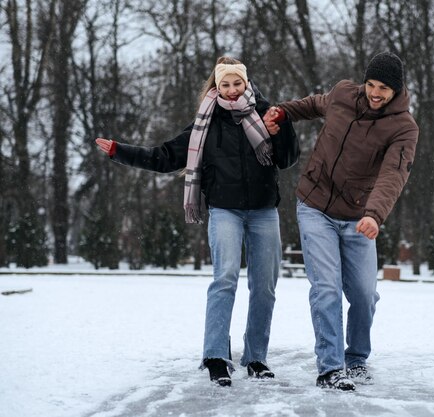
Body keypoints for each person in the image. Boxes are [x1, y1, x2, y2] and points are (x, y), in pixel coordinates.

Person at [95, 56, 299, 387]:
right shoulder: (205, 125)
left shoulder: (267, 115)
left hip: (264, 211)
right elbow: (163, 156)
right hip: (225, 211)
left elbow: (288, 159)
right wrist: (120, 151)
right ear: (215, 87)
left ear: (246, 83)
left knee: (264, 286)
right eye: (225, 84)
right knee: (225, 278)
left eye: (237, 83)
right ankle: (216, 356)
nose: (232, 90)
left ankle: (256, 357)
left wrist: (282, 128)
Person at [264, 52, 419, 391]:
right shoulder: (343, 95)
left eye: (384, 89)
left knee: (364, 294)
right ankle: (330, 368)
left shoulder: (404, 128)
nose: (375, 93)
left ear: (397, 90)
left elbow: (393, 174)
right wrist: (282, 111)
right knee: (327, 289)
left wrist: (374, 215)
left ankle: (356, 358)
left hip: (359, 217)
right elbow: (311, 104)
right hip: (314, 205)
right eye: (372, 85)